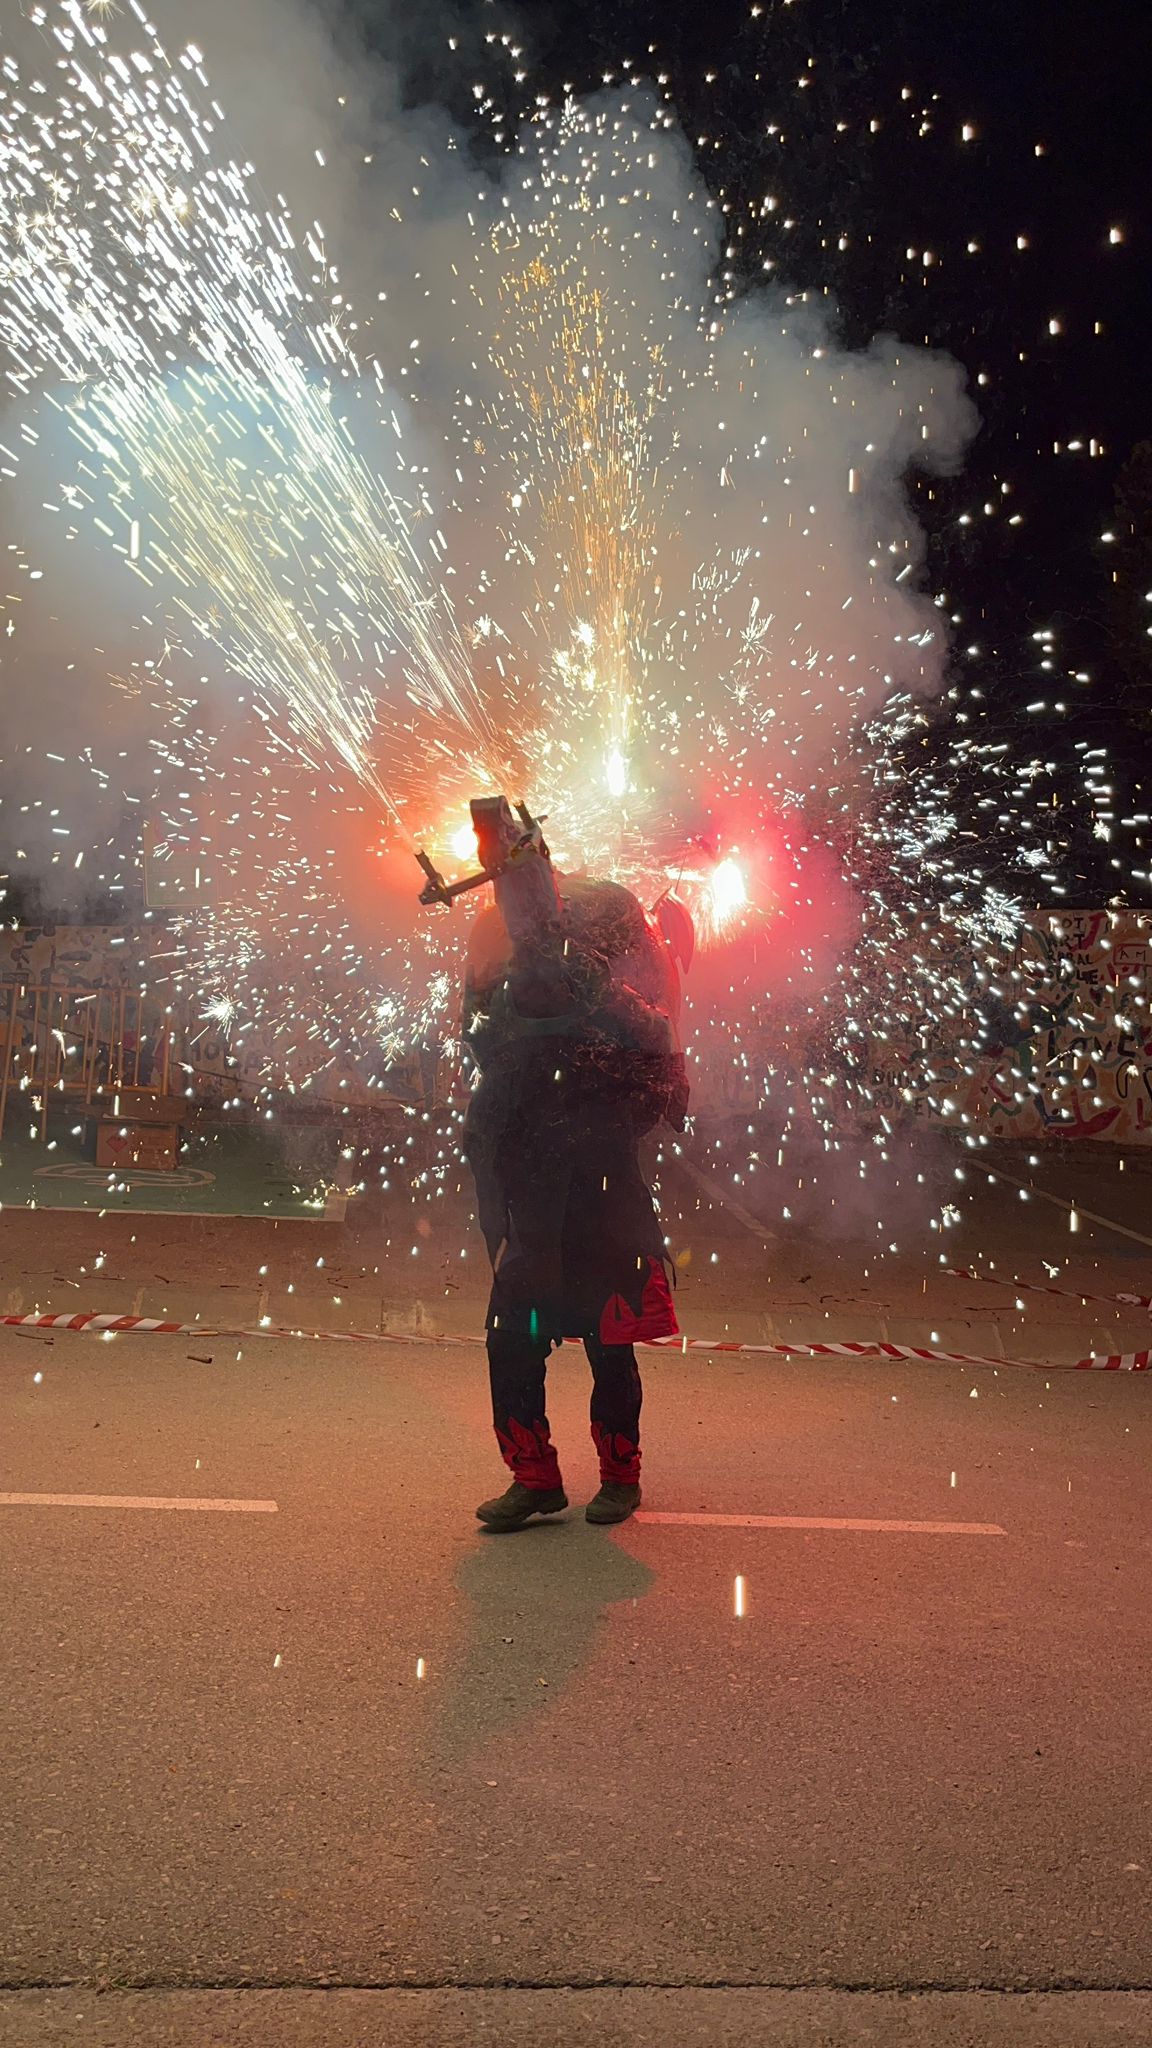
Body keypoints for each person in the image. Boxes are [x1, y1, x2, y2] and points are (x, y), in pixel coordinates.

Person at [457, 799, 689, 1531]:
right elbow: (474, 1025)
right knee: (511, 1335)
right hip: (529, 1158)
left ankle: (620, 1476)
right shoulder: (492, 926)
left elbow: (658, 1029)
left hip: (598, 1160)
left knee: (608, 1333)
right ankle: (535, 1479)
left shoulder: (614, 912)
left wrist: (599, 996)